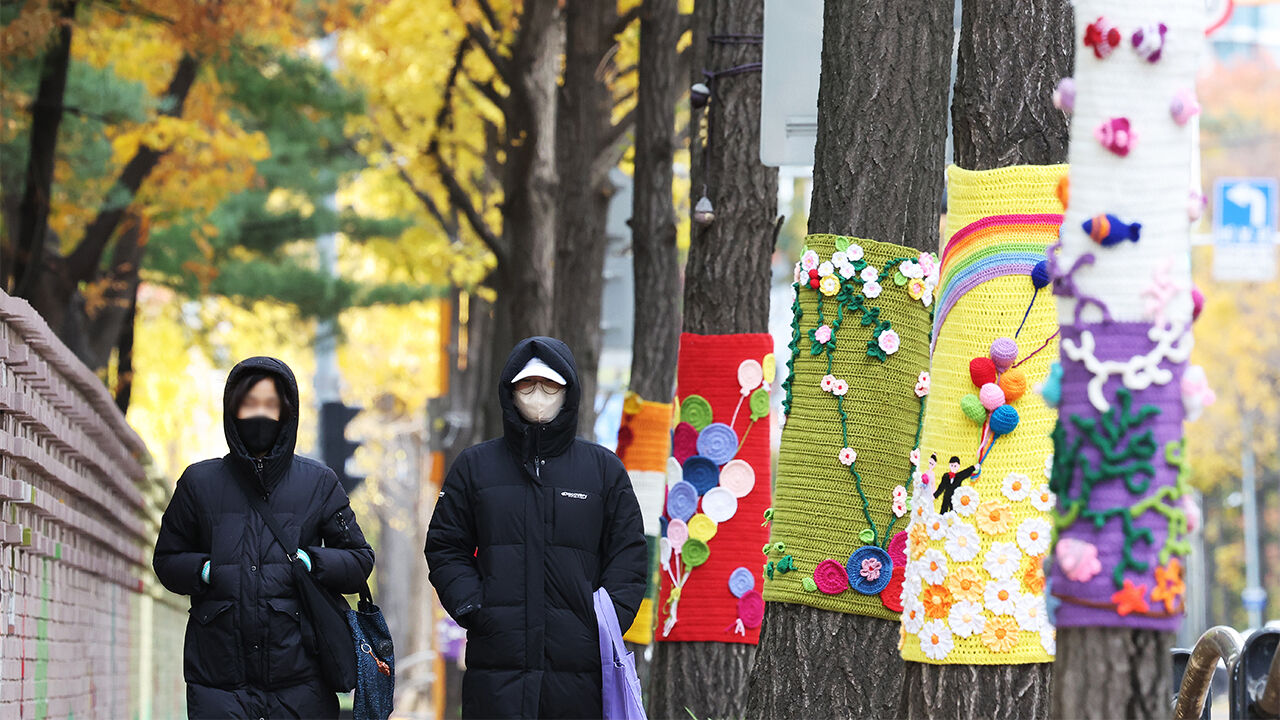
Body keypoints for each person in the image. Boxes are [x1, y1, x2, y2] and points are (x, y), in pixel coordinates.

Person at [426, 336, 647, 719]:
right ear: (510, 391)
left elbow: (628, 555)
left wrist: (603, 620)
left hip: (581, 672)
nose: (538, 395)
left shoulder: (602, 470)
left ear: (569, 391)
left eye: (550, 385)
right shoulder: (475, 467)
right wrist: (475, 608)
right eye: (527, 384)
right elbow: (445, 547)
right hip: (497, 669)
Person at [153, 357, 374, 719]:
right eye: (250, 404)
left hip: (302, 680)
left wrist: (311, 562)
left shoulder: (318, 482)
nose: (260, 414)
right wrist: (206, 570)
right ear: (233, 410)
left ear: (286, 413)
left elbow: (359, 560)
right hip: (218, 682)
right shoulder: (199, 482)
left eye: (270, 405)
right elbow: (166, 560)